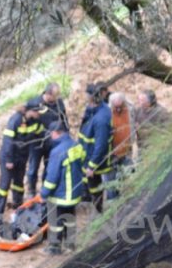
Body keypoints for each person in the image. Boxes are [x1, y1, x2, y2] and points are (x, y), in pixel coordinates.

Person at [0, 99, 43, 233]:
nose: (39, 114)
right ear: (31, 111)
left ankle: (18, 209)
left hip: (22, 157)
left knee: (18, 184)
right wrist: (9, 160)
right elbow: (8, 141)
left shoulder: (35, 121)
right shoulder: (16, 119)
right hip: (9, 157)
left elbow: (40, 135)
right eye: (37, 112)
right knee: (4, 186)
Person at [40, 121, 85, 254]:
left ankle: (54, 248)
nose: (51, 137)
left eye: (51, 134)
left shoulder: (57, 152)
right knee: (70, 219)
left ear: (56, 133)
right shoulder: (76, 145)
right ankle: (70, 245)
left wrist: (44, 194)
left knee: (56, 222)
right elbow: (82, 161)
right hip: (75, 192)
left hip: (61, 194)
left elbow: (52, 177)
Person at [27, 82, 69, 197]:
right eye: (55, 96)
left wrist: (66, 136)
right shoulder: (34, 103)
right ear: (48, 94)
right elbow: (25, 122)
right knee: (33, 167)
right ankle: (31, 190)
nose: (56, 99)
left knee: (49, 166)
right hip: (35, 142)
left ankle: (45, 191)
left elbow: (64, 120)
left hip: (52, 142)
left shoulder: (59, 103)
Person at [80, 82, 112, 212]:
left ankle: (99, 209)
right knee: (90, 184)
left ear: (92, 98)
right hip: (87, 154)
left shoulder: (101, 118)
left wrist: (92, 165)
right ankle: (92, 203)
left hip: (95, 159)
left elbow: (101, 144)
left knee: (95, 185)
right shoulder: (93, 110)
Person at [104, 92, 136, 199]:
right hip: (111, 153)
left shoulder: (130, 110)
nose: (118, 109)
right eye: (115, 107)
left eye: (120, 106)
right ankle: (112, 201)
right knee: (110, 180)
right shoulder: (105, 114)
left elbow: (134, 126)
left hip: (126, 150)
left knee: (127, 175)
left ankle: (126, 198)